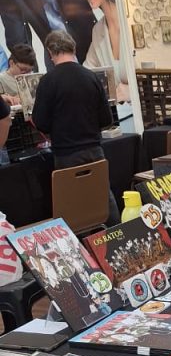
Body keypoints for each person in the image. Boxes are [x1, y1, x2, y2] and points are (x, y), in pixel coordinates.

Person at [31, 29, 119, 223]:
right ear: (74, 48)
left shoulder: (48, 82)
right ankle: (117, 237)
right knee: (104, 198)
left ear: (50, 52)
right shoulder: (91, 77)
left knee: (72, 205)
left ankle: (81, 248)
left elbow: (41, 123)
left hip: (66, 154)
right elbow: (106, 119)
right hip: (95, 150)